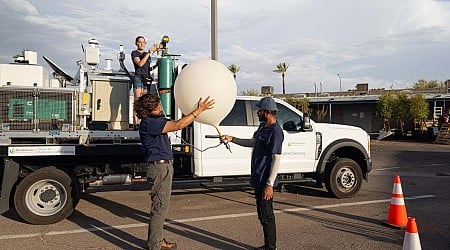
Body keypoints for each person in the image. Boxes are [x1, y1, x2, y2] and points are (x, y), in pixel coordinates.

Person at [134, 93, 215, 250]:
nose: (161, 108)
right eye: (158, 106)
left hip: (163, 167)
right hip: (159, 168)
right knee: (160, 207)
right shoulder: (150, 123)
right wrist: (199, 110)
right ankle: (154, 245)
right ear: (148, 110)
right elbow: (178, 125)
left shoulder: (154, 121)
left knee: (161, 207)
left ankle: (157, 240)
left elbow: (178, 122)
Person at [221, 97, 284, 250]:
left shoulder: (276, 132)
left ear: (268, 112)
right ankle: (268, 245)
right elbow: (252, 142)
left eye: (260, 110)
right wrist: (232, 139)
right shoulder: (263, 127)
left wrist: (269, 184)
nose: (258, 112)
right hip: (257, 177)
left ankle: (271, 247)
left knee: (267, 216)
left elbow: (276, 159)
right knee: (262, 215)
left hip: (265, 180)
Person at [131, 36, 158, 126]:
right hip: (138, 78)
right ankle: (136, 123)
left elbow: (147, 68)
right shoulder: (135, 53)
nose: (142, 44)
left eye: (143, 42)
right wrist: (149, 53)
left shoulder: (147, 54)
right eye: (140, 42)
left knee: (145, 101)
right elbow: (140, 64)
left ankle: (144, 122)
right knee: (138, 100)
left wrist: (156, 65)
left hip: (146, 79)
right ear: (136, 43)